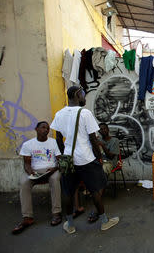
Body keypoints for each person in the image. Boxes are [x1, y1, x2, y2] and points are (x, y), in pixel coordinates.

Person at [50, 86, 119, 234]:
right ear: (77, 95)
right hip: (86, 159)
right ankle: (104, 221)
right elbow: (93, 139)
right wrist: (99, 158)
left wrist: (65, 155)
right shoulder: (85, 113)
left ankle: (70, 224)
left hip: (69, 159)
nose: (84, 97)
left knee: (68, 192)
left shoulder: (59, 114)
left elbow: (58, 139)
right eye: (82, 94)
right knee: (96, 189)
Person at [12, 121, 62, 235]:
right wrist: (31, 172)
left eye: (47, 128)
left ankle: (56, 213)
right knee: (24, 182)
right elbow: (26, 163)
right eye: (43, 127)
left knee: (55, 180)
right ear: (36, 129)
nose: (46, 130)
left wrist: (54, 169)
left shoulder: (53, 142)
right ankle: (27, 217)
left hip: (51, 169)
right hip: (35, 170)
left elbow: (59, 160)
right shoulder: (28, 144)